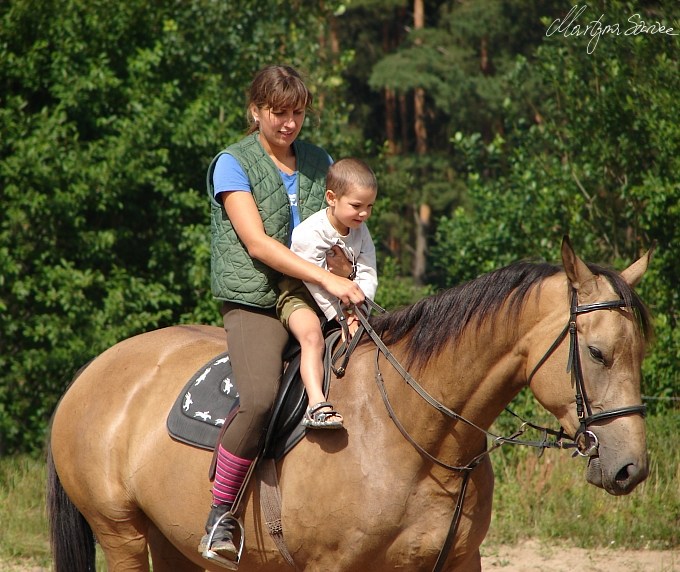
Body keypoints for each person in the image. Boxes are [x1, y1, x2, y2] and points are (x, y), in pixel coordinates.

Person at [199, 65, 365, 564]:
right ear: (256, 111)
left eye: (297, 112)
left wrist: (350, 274)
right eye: (278, 113)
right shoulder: (232, 163)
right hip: (257, 299)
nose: (289, 123)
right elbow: (257, 244)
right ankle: (220, 514)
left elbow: (345, 229)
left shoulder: (321, 162)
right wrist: (329, 279)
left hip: (319, 294)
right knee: (260, 396)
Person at [277, 158, 378, 429]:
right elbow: (316, 285)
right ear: (331, 198)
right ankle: (317, 404)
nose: (364, 214)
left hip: (343, 301)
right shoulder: (308, 234)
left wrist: (360, 311)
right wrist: (342, 319)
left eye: (370, 206)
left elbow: (367, 273)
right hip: (301, 296)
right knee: (312, 337)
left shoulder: (360, 229)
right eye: (356, 206)